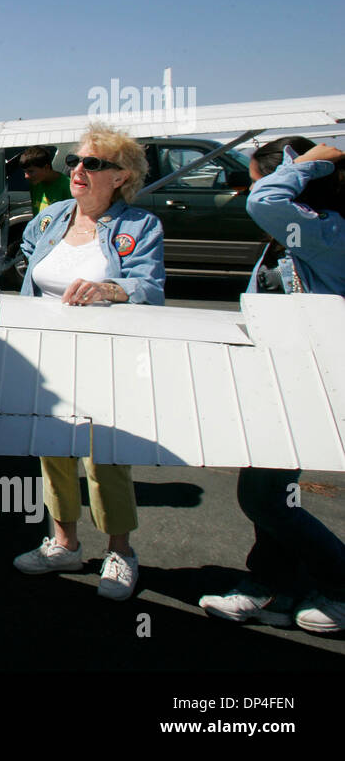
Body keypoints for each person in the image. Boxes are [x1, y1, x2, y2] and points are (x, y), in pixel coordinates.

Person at [12, 123, 164, 600]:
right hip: (49, 357)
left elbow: (150, 288)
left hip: (107, 359)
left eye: (92, 164)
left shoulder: (140, 226)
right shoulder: (50, 217)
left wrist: (108, 290)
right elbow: (27, 265)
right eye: (75, 161)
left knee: (106, 459)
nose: (77, 170)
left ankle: (120, 550)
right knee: (51, 449)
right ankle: (64, 542)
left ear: (121, 177)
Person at [198, 137, 345, 632]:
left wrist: (307, 164)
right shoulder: (306, 232)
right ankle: (273, 587)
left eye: (257, 176)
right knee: (274, 492)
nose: (251, 190)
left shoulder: (326, 232)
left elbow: (266, 201)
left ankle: (341, 583)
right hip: (281, 376)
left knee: (262, 496)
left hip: (313, 380)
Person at [19, 145, 72, 214]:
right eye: (25, 171)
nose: (26, 176)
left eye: (30, 171)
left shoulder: (68, 186)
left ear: (46, 167)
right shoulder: (36, 183)